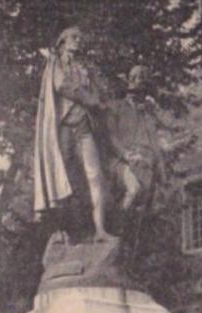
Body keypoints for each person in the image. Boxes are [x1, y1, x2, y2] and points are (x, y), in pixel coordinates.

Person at [33, 26, 115, 242]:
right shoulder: (55, 64)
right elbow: (63, 86)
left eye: (80, 38)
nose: (78, 41)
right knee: (63, 180)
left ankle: (100, 230)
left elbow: (98, 93)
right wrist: (91, 99)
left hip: (84, 126)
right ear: (63, 42)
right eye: (74, 38)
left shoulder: (84, 68)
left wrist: (97, 99)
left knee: (95, 176)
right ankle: (65, 231)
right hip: (64, 129)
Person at [106, 65, 167, 213]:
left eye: (144, 91)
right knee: (133, 191)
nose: (140, 96)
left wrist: (161, 172)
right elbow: (110, 136)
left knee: (143, 210)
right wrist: (126, 155)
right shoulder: (117, 108)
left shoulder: (148, 115)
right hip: (123, 162)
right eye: (138, 86)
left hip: (147, 164)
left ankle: (129, 233)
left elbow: (155, 145)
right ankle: (116, 224)